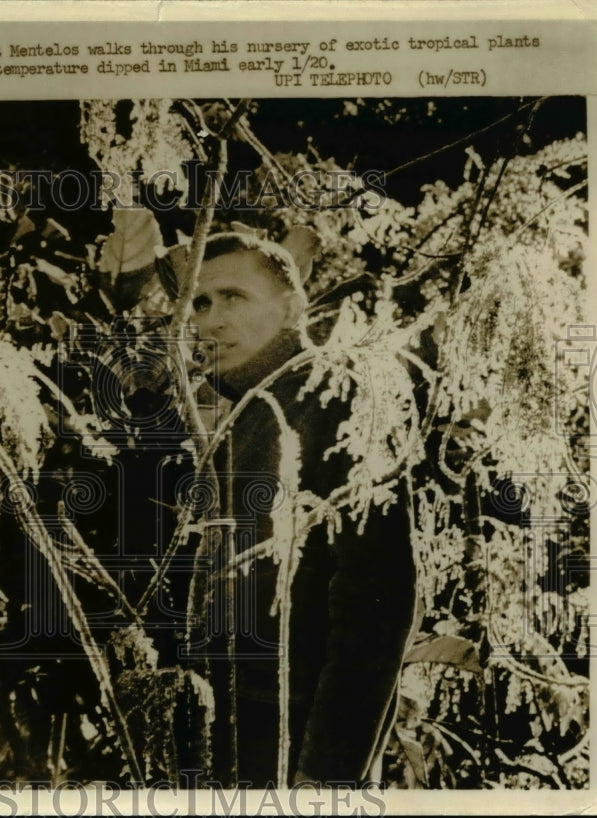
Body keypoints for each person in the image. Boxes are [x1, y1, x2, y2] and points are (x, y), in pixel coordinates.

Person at [181, 232, 417, 788]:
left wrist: (329, 771)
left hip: (293, 744)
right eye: (201, 302)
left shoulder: (339, 398)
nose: (211, 322)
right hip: (229, 737)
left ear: (291, 308)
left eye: (233, 297)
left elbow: (377, 600)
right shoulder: (243, 411)